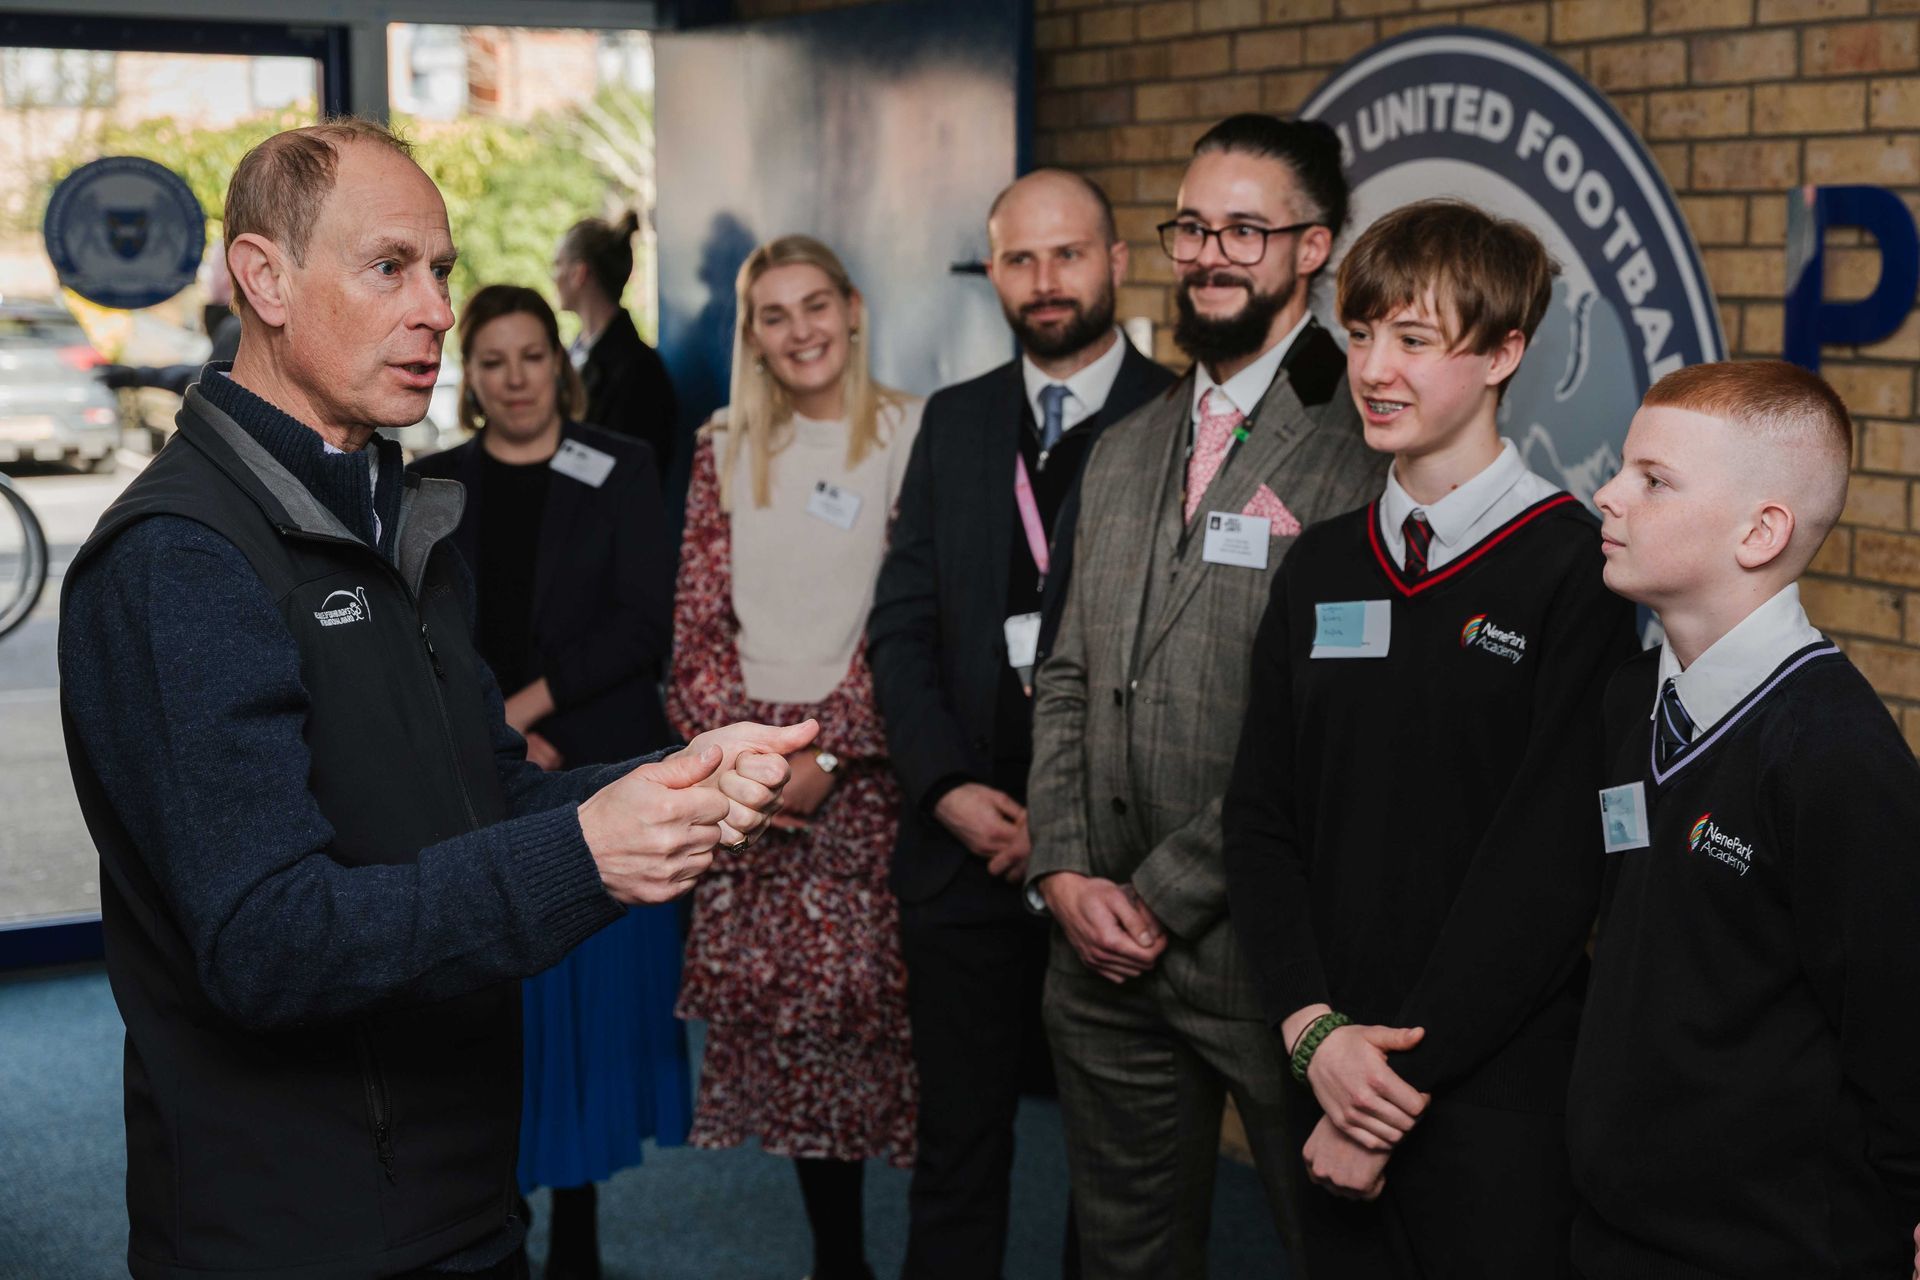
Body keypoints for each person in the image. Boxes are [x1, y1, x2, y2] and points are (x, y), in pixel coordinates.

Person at [57, 119, 808, 1280]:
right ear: (263, 278)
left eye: (442, 270)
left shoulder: (391, 512)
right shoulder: (181, 559)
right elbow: (268, 941)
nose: (436, 311)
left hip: (456, 1186)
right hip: (296, 1231)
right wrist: (586, 857)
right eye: (388, 267)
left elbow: (485, 790)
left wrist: (667, 782)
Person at [1219, 200, 1640, 1278]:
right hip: (1321, 1055)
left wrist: (1376, 1102)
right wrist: (1315, 1033)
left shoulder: (1577, 575)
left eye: (1413, 339)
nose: (1374, 367)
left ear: (1506, 351)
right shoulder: (1319, 563)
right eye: (1361, 333)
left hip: (1488, 1089)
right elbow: (1262, 819)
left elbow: (1549, 871)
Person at [1024, 113, 1383, 1278]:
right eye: (1191, 226)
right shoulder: (1124, 448)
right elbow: (1068, 671)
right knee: (1127, 1256)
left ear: (1315, 248)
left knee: (1338, 1247)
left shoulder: (1364, 451)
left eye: (1245, 229)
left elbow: (1334, 731)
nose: (1210, 254)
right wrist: (1066, 868)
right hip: (1098, 956)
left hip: (1273, 964)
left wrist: (1164, 893)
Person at [867, 168, 1174, 1280]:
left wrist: (1062, 828)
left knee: (1115, 1174)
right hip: (962, 847)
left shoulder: (1180, 420)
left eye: (1069, 254)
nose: (1046, 282)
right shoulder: (954, 421)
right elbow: (898, 628)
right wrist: (944, 787)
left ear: (1117, 262)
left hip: (1114, 861)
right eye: (1020, 258)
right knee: (957, 1150)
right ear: (992, 271)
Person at [1567, 360, 1920, 1279]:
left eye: (1653, 480)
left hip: (1776, 1245)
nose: (1606, 495)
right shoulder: (1629, 699)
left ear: (1761, 532)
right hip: (1617, 1220)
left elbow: (1897, 1026)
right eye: (1623, 469)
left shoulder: (1837, 757)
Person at [409, 284, 685, 1280]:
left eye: (532, 356)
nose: (515, 378)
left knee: (583, 1016)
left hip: (592, 765)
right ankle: (492, 1214)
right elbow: (425, 640)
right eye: (492, 360)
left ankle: (577, 1231)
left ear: (559, 365)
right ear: (469, 375)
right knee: (494, 1008)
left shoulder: (622, 464)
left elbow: (640, 626)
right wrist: (498, 735)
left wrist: (528, 721)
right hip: (470, 776)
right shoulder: (433, 480)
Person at [669, 234, 922, 1280]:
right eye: (773, 314)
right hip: (752, 775)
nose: (800, 329)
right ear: (752, 335)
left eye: (815, 304)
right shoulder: (721, 443)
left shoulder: (918, 434)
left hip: (870, 768)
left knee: (875, 1030)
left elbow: (916, 614)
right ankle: (839, 1259)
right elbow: (695, 620)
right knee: (787, 1041)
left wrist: (835, 752)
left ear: (853, 307)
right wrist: (750, 760)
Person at [554, 211, 681, 477]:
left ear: (579, 273)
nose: (553, 277)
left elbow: (634, 470)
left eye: (558, 265)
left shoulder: (638, 370)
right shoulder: (570, 356)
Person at [100, 249, 243, 395]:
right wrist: (137, 376)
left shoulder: (237, 331)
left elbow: (203, 386)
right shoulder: (234, 330)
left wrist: (138, 376)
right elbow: (198, 377)